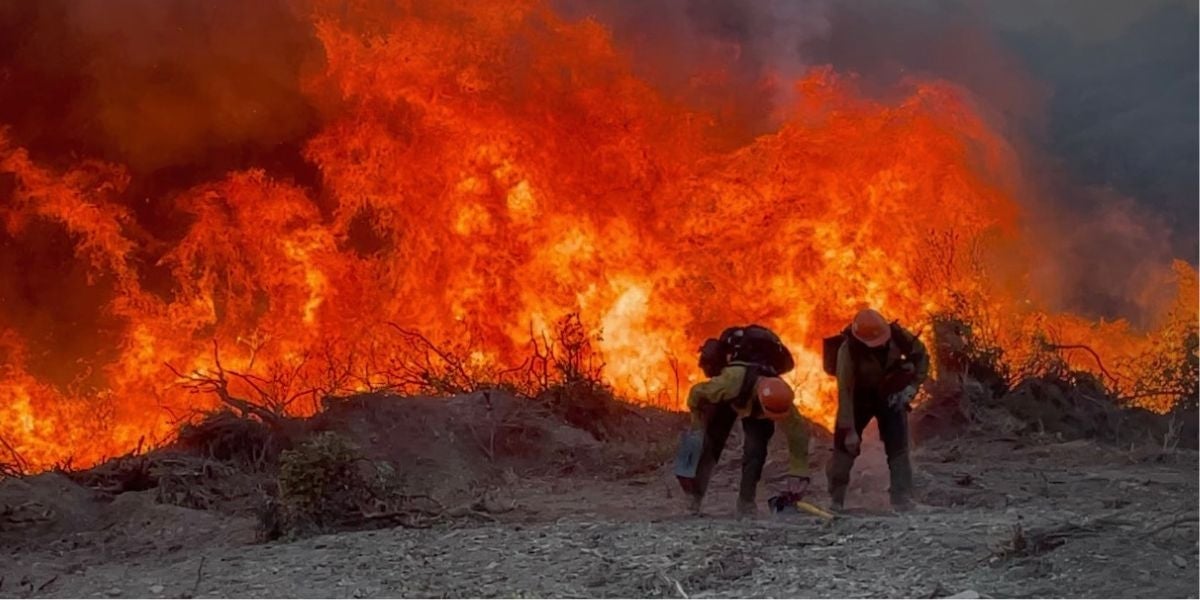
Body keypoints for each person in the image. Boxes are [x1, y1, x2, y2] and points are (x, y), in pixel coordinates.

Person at [685, 325, 811, 519]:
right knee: (711, 445)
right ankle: (694, 499)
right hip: (731, 398)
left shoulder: (780, 397)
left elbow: (797, 434)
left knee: (756, 453)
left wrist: (799, 472)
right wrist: (697, 427)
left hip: (750, 402)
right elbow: (696, 394)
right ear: (760, 398)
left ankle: (746, 503)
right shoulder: (730, 383)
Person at [827, 308, 929, 511]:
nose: (881, 343)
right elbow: (844, 391)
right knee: (844, 448)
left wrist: (912, 387)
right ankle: (836, 500)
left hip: (889, 397)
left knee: (898, 446)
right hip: (858, 399)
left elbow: (921, 358)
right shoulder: (848, 351)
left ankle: (902, 499)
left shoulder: (898, 335)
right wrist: (849, 429)